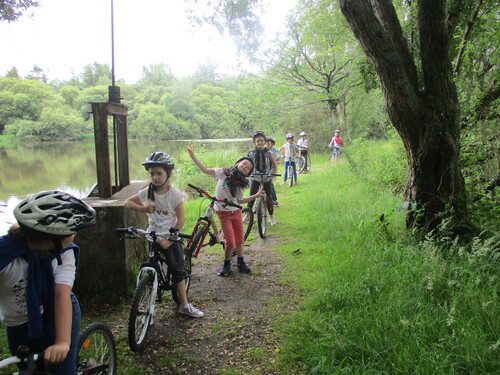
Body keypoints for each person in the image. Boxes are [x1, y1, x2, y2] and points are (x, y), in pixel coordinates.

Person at [0, 190, 96, 374]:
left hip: (56, 311)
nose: (75, 236)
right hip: (17, 323)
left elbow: (61, 294)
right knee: (29, 370)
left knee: (62, 370)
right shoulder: (6, 256)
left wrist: (62, 342)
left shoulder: (63, 253)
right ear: (52, 240)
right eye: (72, 232)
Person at [124, 152, 204, 318]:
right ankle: (150, 302)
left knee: (177, 270)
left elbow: (181, 219)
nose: (155, 177)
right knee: (151, 266)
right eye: (152, 173)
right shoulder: (146, 192)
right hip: (152, 234)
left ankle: (184, 304)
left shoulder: (174, 194)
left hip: (170, 236)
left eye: (159, 173)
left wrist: (170, 239)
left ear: (168, 174)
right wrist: (143, 208)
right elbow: (127, 203)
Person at [187, 146, 266, 276]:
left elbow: (239, 201)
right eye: (244, 164)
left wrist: (256, 196)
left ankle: (241, 262)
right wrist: (193, 157)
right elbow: (206, 170)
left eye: (248, 168)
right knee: (230, 241)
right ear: (237, 164)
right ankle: (226, 263)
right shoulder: (223, 172)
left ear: (248, 173)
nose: (245, 167)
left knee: (240, 239)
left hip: (236, 212)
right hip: (224, 213)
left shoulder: (242, 184)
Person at [247, 131, 279, 225]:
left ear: (265, 142)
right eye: (257, 141)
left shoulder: (269, 153)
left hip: (266, 178)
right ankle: (247, 215)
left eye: (261, 141)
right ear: (254, 143)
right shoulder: (251, 154)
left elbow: (275, 165)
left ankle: (271, 216)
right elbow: (247, 165)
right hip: (255, 178)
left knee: (269, 197)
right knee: (251, 197)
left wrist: (273, 177)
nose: (260, 143)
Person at [265, 136, 280, 206]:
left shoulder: (275, 151)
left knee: (270, 184)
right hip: (264, 171)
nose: (267, 145)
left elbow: (278, 161)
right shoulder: (262, 151)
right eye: (266, 143)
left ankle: (274, 199)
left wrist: (273, 161)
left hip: (271, 170)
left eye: (268, 143)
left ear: (272, 144)